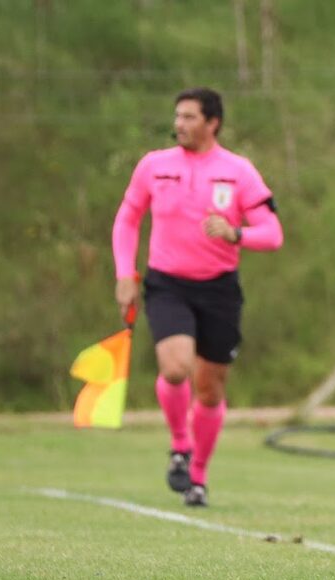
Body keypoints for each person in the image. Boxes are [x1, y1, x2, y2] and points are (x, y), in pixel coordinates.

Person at [112, 87, 283, 507]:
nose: (180, 125)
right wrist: (125, 273)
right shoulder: (154, 166)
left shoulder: (238, 171)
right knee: (175, 368)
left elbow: (273, 234)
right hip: (167, 284)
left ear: (212, 123)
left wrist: (236, 233)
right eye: (178, 116)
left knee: (209, 391)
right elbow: (128, 218)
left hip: (219, 289)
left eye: (189, 117)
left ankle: (198, 476)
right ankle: (179, 445)